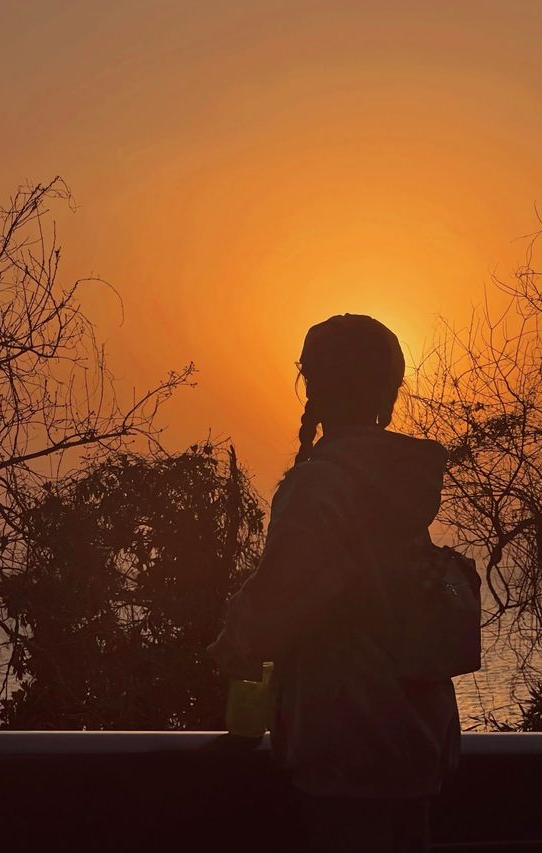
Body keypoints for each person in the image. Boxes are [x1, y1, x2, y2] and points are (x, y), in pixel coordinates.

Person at [208, 313, 460, 853]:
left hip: (347, 749)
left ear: (314, 385)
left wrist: (232, 640)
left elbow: (281, 600)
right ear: (388, 392)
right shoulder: (404, 484)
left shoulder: (321, 486)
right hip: (417, 744)